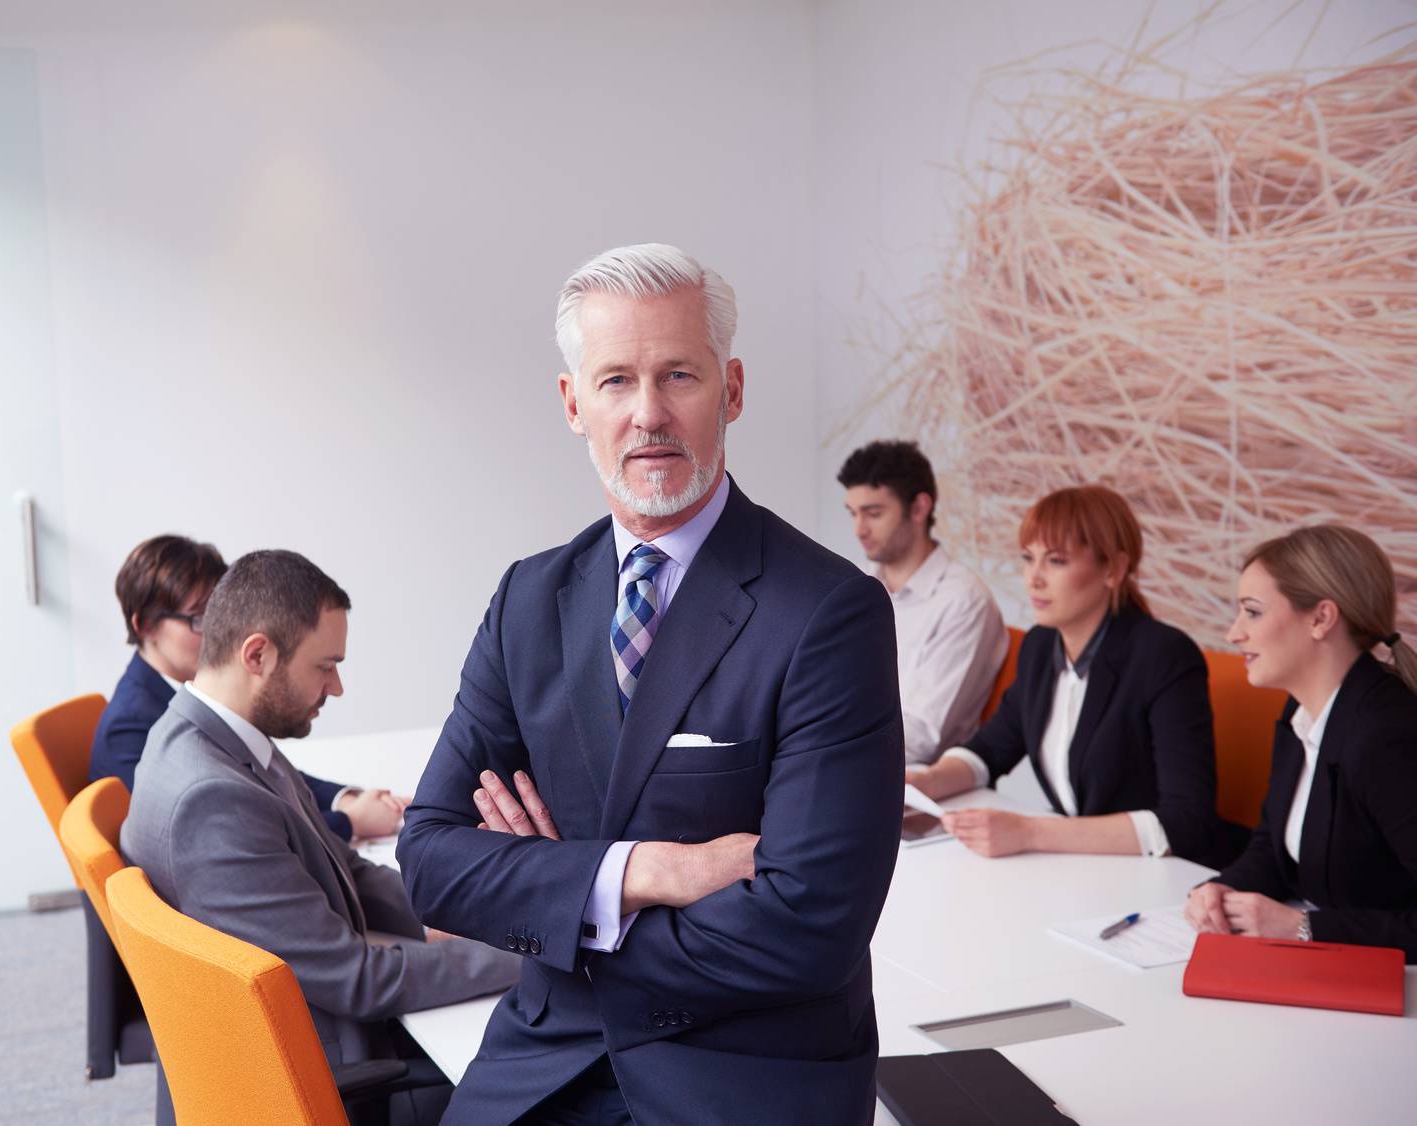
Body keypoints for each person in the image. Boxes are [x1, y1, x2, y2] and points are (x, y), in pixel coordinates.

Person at [395, 244, 903, 1125]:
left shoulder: (829, 612)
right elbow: (433, 861)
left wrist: (555, 894)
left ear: (732, 390)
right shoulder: (527, 599)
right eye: (615, 381)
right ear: (572, 404)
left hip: (741, 1071)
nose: (648, 415)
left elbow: (809, 928)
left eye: (679, 375)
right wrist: (649, 871)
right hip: (544, 1059)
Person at [119, 550, 520, 1118]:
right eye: (324, 665)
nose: (336, 688)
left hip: (305, 1033)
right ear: (257, 653)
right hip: (312, 1073)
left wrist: (463, 910)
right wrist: (526, 956)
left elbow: (343, 864)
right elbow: (357, 978)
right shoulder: (212, 799)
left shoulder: (210, 737)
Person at [907, 485, 1238, 866]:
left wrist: (1030, 832)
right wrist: (926, 782)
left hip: (1164, 874)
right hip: (1085, 869)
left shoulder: (1163, 656)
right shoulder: (1041, 647)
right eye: (1028, 559)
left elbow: (1186, 822)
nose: (1033, 579)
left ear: (1113, 569)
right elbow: (990, 750)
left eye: (1056, 561)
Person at [1185, 526, 1417, 961]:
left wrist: (1302, 928)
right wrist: (1222, 888)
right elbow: (1274, 847)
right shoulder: (1302, 712)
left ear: (1321, 619)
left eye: (1252, 612)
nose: (1235, 633)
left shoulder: (1387, 736)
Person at [89, 533, 404, 841]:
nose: (220, 630)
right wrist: (349, 822)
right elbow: (216, 829)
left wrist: (344, 799)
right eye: (200, 618)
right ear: (144, 625)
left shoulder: (194, 693)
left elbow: (268, 774)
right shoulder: (131, 725)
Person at [838, 439, 1008, 764]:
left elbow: (923, 737)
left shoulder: (963, 600)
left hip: (913, 781)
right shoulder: (857, 587)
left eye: (874, 513)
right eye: (853, 513)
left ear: (919, 508)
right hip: (848, 761)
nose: (859, 529)